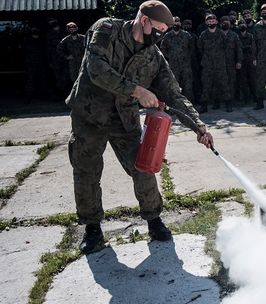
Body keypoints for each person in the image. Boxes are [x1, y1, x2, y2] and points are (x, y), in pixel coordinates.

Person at [66, 0, 214, 254]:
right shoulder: (106, 29)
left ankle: (154, 219)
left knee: (143, 167)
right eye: (157, 31)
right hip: (89, 115)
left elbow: (174, 94)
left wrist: (199, 127)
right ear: (144, 21)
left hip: (124, 119)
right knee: (86, 171)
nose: (158, 38)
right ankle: (92, 228)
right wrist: (137, 90)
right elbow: (96, 69)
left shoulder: (153, 56)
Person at [197, 14, 231, 112]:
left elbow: (226, 47)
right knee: (206, 85)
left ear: (216, 22)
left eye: (213, 21)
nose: (211, 23)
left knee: (224, 84)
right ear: (206, 22)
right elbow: (200, 48)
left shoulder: (221, 34)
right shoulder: (203, 35)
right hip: (207, 65)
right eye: (209, 21)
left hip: (220, 64)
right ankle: (204, 106)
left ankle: (228, 104)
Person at [160, 16, 195, 103]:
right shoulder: (168, 36)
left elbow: (192, 48)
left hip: (185, 64)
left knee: (188, 85)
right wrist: (170, 56)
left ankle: (189, 104)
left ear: (180, 23)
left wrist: (186, 56)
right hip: (173, 64)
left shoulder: (186, 35)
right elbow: (163, 48)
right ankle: (175, 104)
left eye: (178, 22)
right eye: (174, 22)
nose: (176, 24)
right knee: (174, 86)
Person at [221, 16, 243, 112]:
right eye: (223, 22)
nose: (225, 23)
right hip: (219, 63)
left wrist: (239, 61)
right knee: (220, 82)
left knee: (231, 82)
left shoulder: (234, 35)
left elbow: (239, 49)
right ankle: (220, 101)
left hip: (231, 62)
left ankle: (229, 102)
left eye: (227, 22)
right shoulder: (217, 34)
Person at [237, 20, 258, 104]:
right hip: (241, 60)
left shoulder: (250, 36)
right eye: (240, 24)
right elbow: (238, 48)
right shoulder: (237, 36)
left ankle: (255, 96)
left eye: (243, 24)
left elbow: (253, 48)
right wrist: (246, 47)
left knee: (253, 79)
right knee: (243, 80)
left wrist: (254, 59)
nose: (242, 25)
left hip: (250, 60)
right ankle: (246, 97)